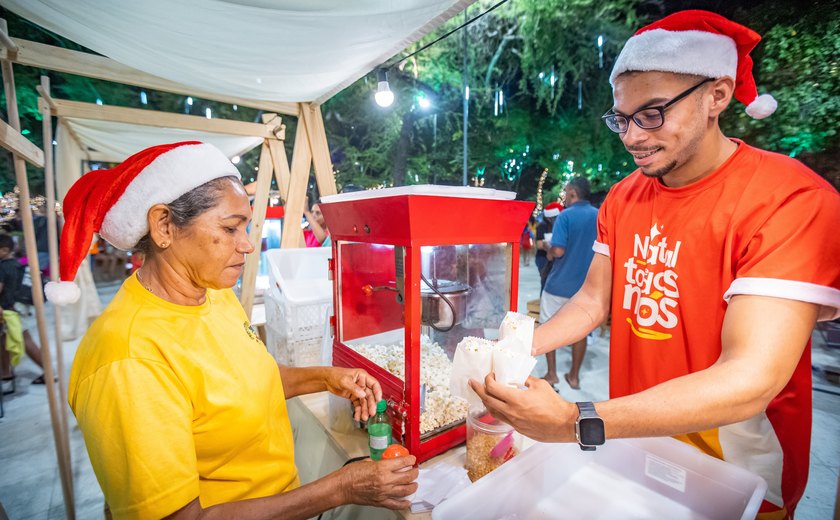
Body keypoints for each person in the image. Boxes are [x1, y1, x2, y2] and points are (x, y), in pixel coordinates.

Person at [470, 11, 840, 519]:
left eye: (653, 112)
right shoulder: (624, 197)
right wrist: (518, 346)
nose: (631, 136)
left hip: (737, 465)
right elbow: (592, 300)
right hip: (633, 437)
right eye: (621, 117)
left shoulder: (790, 199)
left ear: (717, 95)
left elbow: (752, 376)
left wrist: (576, 420)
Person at [50, 141, 417, 519]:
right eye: (229, 228)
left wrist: (326, 378)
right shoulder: (128, 358)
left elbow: (249, 380)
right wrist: (341, 487)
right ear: (164, 226)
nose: (246, 244)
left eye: (245, 227)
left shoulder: (212, 293)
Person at [538, 179, 597, 390]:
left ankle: (551, 374)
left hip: (559, 284)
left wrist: (548, 248)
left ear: (573, 193)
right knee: (580, 332)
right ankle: (574, 376)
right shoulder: (599, 215)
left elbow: (559, 250)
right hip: (587, 287)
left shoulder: (565, 216)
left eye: (566, 193)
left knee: (548, 325)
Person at [0, 233, 47, 387]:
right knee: (4, 341)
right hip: (20, 307)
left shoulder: (2, 267)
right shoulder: (18, 264)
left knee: (25, 341)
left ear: (4, 250)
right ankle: (5, 373)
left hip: (10, 310)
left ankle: (47, 371)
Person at [534, 201, 563, 292]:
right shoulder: (542, 226)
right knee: (546, 282)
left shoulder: (561, 225)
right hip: (543, 258)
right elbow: (539, 244)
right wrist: (549, 248)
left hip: (556, 258)